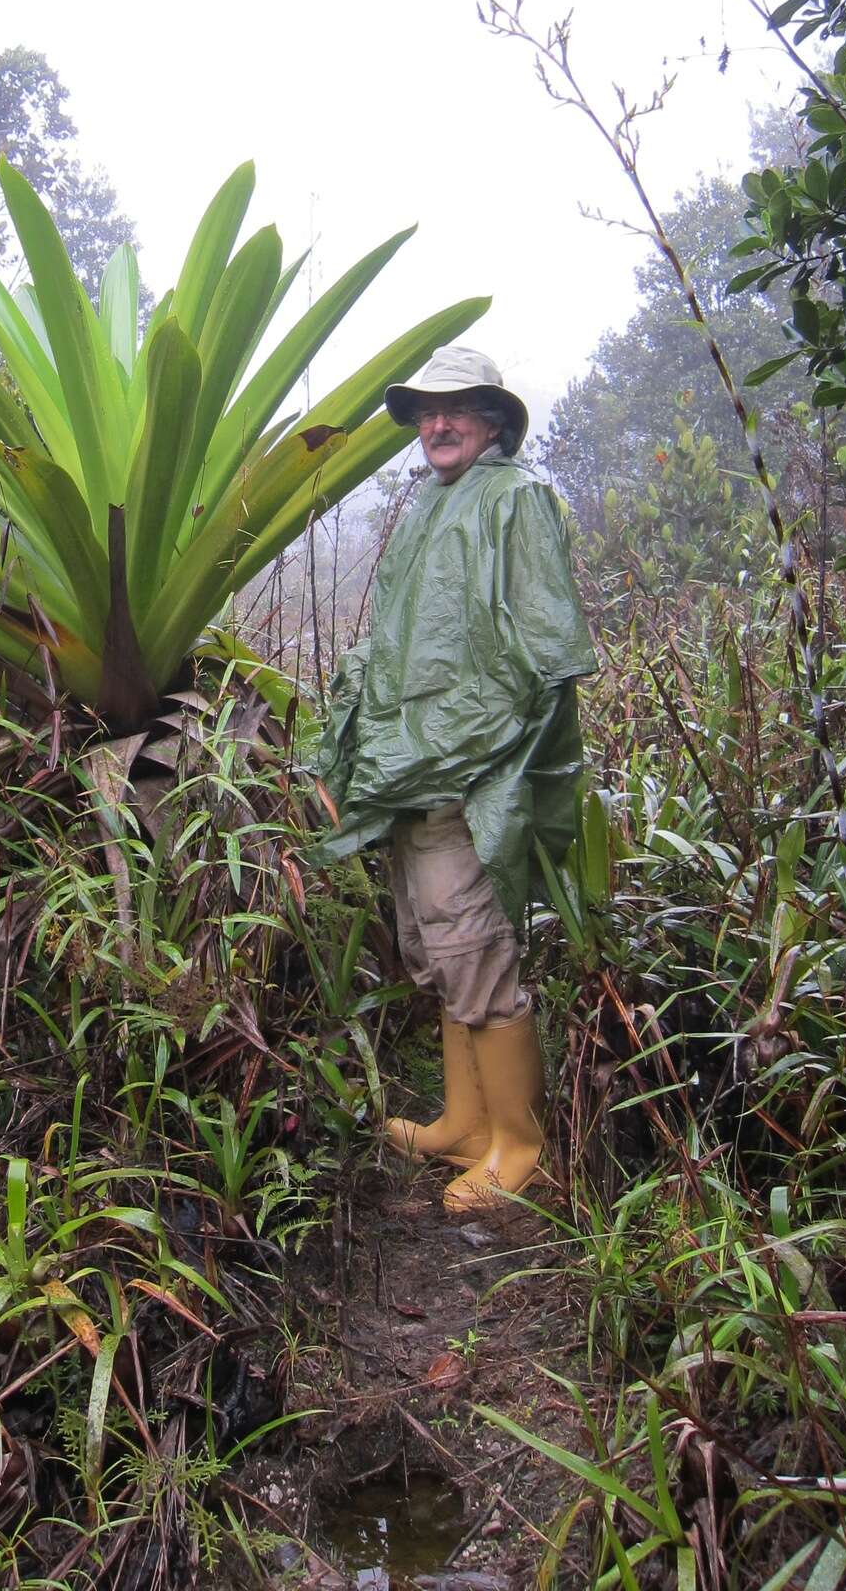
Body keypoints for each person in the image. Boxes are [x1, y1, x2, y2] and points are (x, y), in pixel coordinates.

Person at [314, 344, 595, 1210]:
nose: (436, 425)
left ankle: (521, 1144)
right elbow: (399, 641)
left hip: (463, 778)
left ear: (493, 421)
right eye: (426, 412)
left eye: (457, 410)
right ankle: (465, 1124)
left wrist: (452, 749)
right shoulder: (432, 506)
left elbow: (541, 653)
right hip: (409, 778)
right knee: (434, 949)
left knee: (474, 950)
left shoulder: (516, 500)